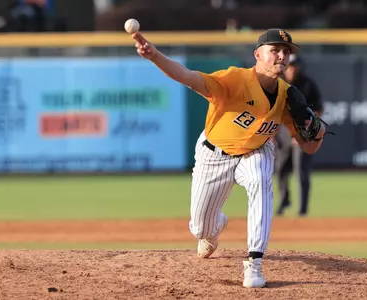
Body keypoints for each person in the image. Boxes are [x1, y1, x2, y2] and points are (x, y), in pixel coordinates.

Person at [132, 28, 327, 288]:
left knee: (260, 180)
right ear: (258, 54)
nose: (282, 56)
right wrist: (155, 56)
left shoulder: (288, 97)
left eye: (286, 52)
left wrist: (318, 129)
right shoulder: (234, 79)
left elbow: (309, 147)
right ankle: (214, 227)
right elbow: (189, 78)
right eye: (275, 50)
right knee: (200, 229)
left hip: (255, 151)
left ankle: (254, 263)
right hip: (214, 155)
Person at [274, 54, 323, 217]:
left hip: (302, 131)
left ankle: (302, 209)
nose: (293, 68)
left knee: (301, 171)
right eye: (290, 65)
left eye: (295, 65)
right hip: (282, 132)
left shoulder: (307, 84)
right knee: (280, 169)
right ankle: (284, 200)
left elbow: (317, 109)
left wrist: (307, 132)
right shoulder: (277, 83)